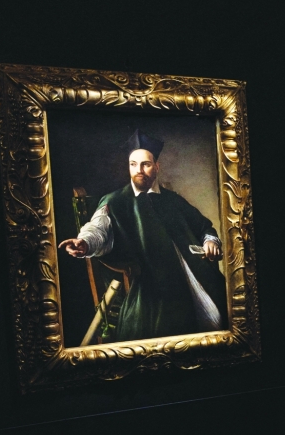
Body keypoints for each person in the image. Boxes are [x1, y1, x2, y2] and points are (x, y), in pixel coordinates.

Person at [59, 129, 228, 342]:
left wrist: (210, 241)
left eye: (146, 164)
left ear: (156, 167)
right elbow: (98, 230)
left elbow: (203, 226)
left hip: (194, 273)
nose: (139, 170)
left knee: (223, 315)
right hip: (153, 283)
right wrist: (84, 243)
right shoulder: (116, 201)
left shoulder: (172, 199)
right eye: (133, 164)